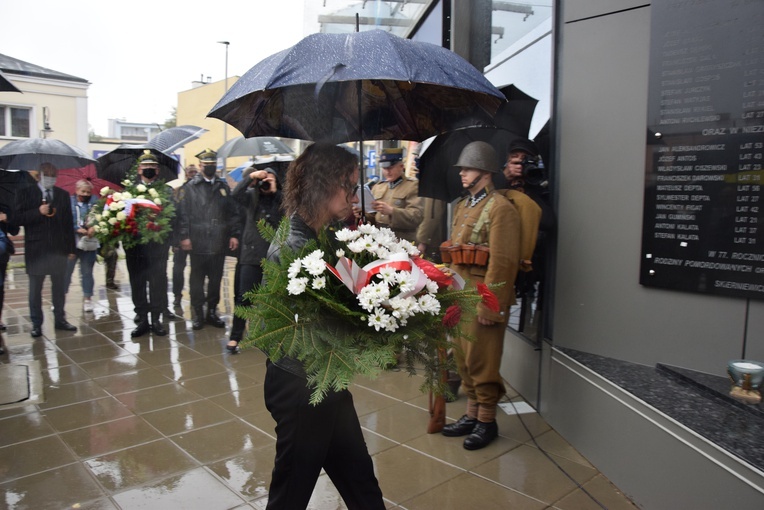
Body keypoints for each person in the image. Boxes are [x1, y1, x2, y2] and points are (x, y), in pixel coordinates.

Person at [263, 142, 385, 510]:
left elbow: (354, 283)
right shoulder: (294, 247)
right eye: (349, 186)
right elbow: (321, 324)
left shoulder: (322, 235)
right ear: (321, 185)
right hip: (302, 387)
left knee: (361, 481)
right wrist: (377, 313)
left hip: (326, 381)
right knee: (290, 494)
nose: (353, 194)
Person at [440, 141, 521, 450]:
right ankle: (472, 414)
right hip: (460, 293)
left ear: (485, 172)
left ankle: (487, 420)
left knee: (483, 361)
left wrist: (491, 305)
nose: (462, 173)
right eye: (462, 168)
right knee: (463, 359)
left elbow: (503, 262)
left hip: (483, 295)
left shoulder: (501, 209)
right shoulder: (463, 205)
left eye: (468, 168)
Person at [177, 149, 241, 330]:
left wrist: (234, 234)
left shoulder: (222, 187)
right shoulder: (190, 187)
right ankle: (198, 313)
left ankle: (212, 311)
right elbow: (183, 215)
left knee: (215, 279)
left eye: (213, 164)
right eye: (207, 165)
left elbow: (233, 213)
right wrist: (184, 237)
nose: (210, 167)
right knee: (196, 280)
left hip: (218, 241)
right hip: (197, 241)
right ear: (200, 166)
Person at [14, 162, 77, 337]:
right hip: (37, 250)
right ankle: (36, 323)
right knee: (35, 290)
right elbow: (17, 218)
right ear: (40, 175)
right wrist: (37, 212)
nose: (51, 178)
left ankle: (60, 319)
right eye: (47, 174)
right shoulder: (26, 193)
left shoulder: (63, 195)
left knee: (58, 288)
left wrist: (71, 248)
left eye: (53, 175)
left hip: (58, 250)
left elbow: (67, 223)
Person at [228, 166, 283, 352]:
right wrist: (251, 177)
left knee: (271, 299)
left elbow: (284, 221)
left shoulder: (281, 199)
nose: (266, 183)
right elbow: (235, 194)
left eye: (271, 179)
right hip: (250, 256)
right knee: (243, 298)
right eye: (264, 180)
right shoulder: (251, 197)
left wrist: (275, 193)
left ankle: (266, 335)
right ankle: (235, 336)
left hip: (273, 256)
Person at [125, 152, 174, 337]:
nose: (148, 169)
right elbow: (122, 218)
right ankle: (143, 320)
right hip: (135, 248)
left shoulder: (167, 191)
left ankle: (156, 319)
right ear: (139, 170)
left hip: (157, 248)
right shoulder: (128, 191)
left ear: (158, 170)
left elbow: (173, 217)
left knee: (157, 283)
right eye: (145, 166)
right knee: (137, 284)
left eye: (152, 166)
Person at [355, 147, 422, 243]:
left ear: (401, 166)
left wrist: (392, 211)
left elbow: (416, 217)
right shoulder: (378, 187)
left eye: (390, 168)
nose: (387, 172)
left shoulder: (413, 186)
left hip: (402, 242)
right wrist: (362, 213)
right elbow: (373, 217)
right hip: (379, 242)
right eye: (384, 168)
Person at [65, 179, 99, 312]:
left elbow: (99, 217)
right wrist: (76, 228)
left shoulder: (94, 202)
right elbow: (64, 220)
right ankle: (60, 297)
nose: (85, 194)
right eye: (82, 191)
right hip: (72, 242)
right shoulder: (69, 201)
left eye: (88, 192)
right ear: (76, 190)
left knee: (87, 272)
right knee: (66, 272)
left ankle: (87, 299)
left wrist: (93, 227)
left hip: (88, 243)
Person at [171, 164, 198, 307]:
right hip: (181, 238)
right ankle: (177, 295)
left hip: (197, 237)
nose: (193, 174)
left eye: (195, 172)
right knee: (178, 269)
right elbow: (175, 216)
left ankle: (195, 295)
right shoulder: (180, 191)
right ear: (186, 174)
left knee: (196, 270)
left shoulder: (200, 189)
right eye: (190, 172)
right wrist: (176, 241)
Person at [0, 201, 19, 331]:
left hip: (1, 253)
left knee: (0, 288)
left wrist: (7, 219)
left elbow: (15, 230)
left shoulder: (5, 206)